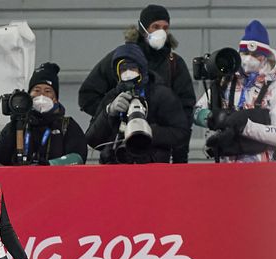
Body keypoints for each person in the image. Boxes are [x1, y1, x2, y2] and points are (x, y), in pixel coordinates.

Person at [78, 4, 195, 163]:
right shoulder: (120, 59)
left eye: (165, 27)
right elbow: (88, 96)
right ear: (143, 28)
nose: (161, 32)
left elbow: (184, 116)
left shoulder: (173, 65)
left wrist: (148, 125)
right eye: (155, 26)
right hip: (118, 152)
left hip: (156, 153)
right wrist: (114, 116)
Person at [192, 20, 276, 163]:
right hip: (227, 170)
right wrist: (212, 117)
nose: (249, 58)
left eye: (255, 54)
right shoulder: (225, 82)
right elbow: (195, 112)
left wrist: (246, 126)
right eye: (245, 53)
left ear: (265, 57)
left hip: (267, 172)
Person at [84, 42, 190, 164]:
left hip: (153, 167)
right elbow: (91, 140)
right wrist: (109, 112)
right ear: (117, 73)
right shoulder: (112, 97)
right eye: (123, 69)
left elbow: (182, 133)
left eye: (132, 68)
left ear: (141, 69)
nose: (128, 72)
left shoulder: (161, 95)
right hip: (115, 167)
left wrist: (146, 132)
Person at [0, 62, 88, 166]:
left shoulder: (67, 126)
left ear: (55, 99)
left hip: (56, 180)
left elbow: (78, 157)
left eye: (47, 91)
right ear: (28, 95)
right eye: (36, 90)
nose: (42, 95)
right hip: (19, 180)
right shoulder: (17, 126)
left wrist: (49, 165)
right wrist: (14, 126)